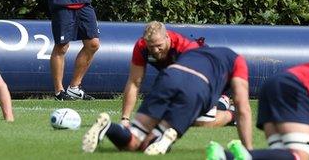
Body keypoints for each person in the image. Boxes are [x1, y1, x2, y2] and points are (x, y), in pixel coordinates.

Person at [82, 47, 252, 155]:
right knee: (147, 143)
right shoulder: (237, 61)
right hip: (197, 88)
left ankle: (108, 126)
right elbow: (243, 107)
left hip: (168, 77)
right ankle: (165, 136)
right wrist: (248, 149)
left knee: (133, 141)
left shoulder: (193, 51)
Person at [206, 55, 309, 160]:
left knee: (282, 155)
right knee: (298, 155)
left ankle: (227, 156)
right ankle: (226, 157)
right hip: (295, 90)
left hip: (275, 84)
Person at [122, 21, 235, 128]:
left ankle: (232, 113)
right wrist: (125, 119)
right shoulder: (141, 47)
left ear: (167, 37)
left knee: (201, 121)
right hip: (185, 78)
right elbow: (134, 82)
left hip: (209, 75)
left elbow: (192, 84)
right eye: (151, 47)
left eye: (158, 45)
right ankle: (221, 102)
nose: (155, 51)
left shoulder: (186, 48)